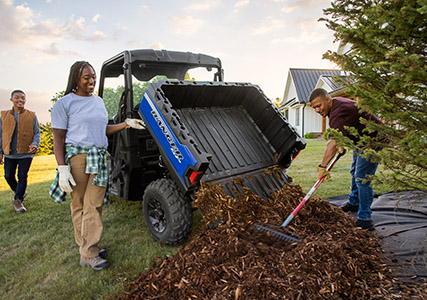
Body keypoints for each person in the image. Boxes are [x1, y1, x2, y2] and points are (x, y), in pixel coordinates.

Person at [50, 61, 145, 271]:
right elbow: (58, 138)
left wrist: (126, 123)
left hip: (99, 158)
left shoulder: (98, 102)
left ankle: (89, 250)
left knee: (93, 204)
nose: (91, 81)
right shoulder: (64, 104)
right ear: (76, 78)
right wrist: (62, 168)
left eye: (93, 77)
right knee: (78, 205)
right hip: (78, 159)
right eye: (87, 77)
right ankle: (87, 249)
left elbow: (103, 129)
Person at [309, 88, 383, 231]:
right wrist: (344, 142)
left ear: (328, 100)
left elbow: (332, 142)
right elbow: (347, 125)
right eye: (314, 108)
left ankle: (365, 218)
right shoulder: (335, 106)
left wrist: (322, 166)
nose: (317, 110)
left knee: (362, 178)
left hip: (373, 141)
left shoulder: (337, 112)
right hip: (361, 140)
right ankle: (354, 202)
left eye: (319, 106)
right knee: (354, 170)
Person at [0, 90, 40, 213]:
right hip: (10, 153)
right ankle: (20, 191)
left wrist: (34, 144)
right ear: (11, 99)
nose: (20, 100)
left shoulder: (32, 115)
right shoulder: (3, 115)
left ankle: (18, 201)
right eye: (17, 98)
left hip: (26, 153)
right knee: (8, 175)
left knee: (22, 176)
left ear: (25, 100)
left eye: (22, 98)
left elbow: (37, 133)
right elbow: (1, 135)